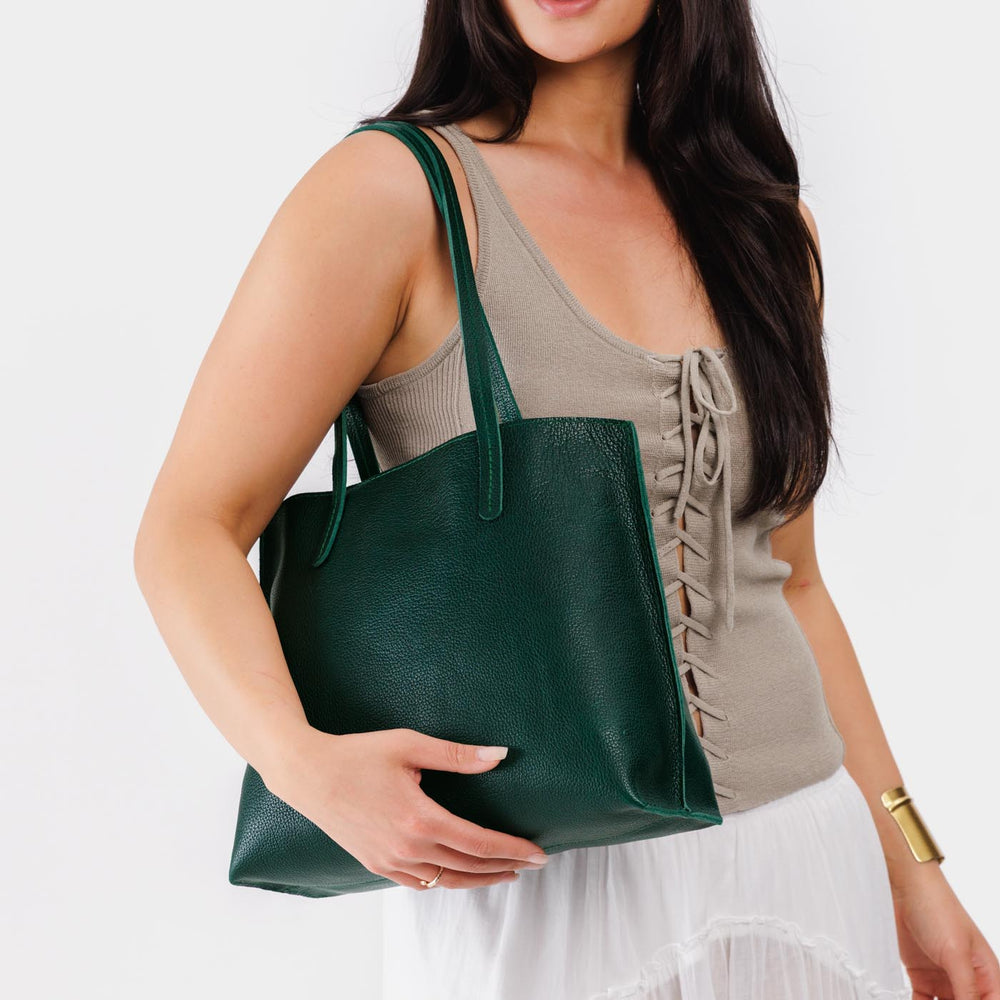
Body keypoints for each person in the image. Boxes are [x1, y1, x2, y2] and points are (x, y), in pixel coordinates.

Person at [133, 0, 999, 997]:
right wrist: (302, 766)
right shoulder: (392, 194)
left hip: (801, 854)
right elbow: (187, 528)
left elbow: (794, 582)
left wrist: (916, 870)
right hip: (534, 876)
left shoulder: (767, 226)